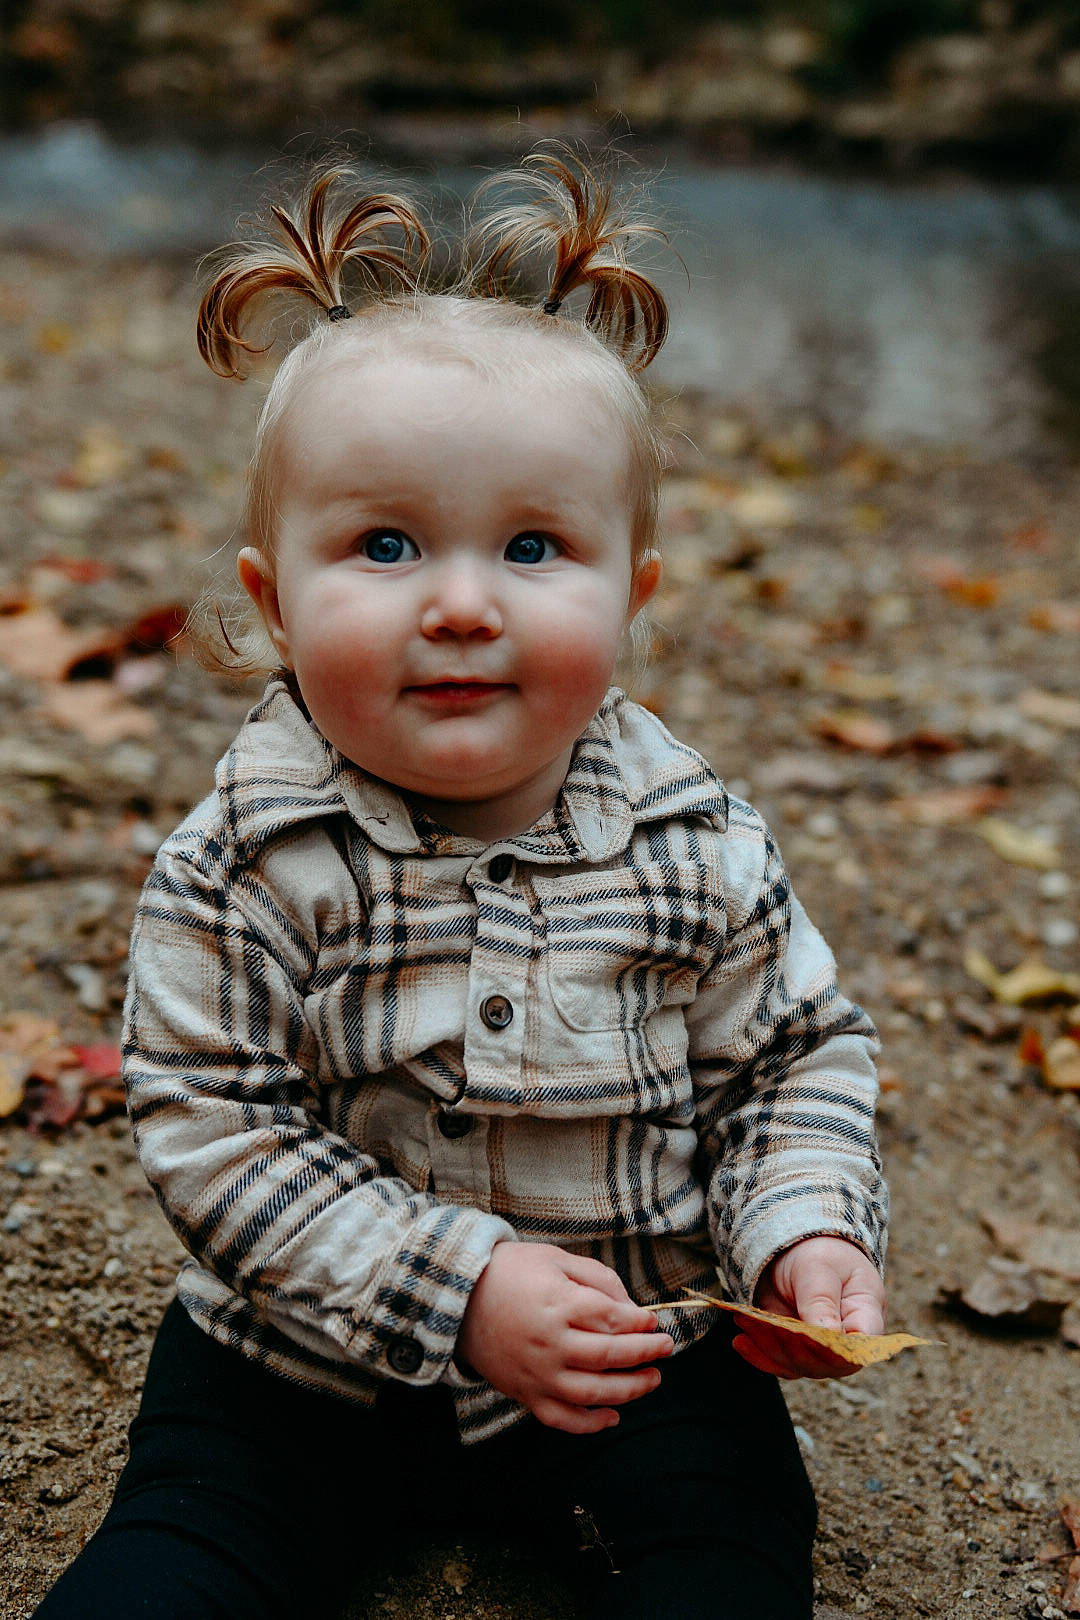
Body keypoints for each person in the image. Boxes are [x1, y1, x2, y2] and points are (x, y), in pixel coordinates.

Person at [36, 150, 888, 1620]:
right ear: (272, 600)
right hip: (299, 1359)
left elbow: (791, 1062)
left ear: (631, 595)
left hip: (635, 1346)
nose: (462, 603)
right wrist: (463, 1289)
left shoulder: (698, 841)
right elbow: (213, 1128)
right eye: (385, 545)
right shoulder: (244, 861)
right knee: (180, 1556)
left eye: (534, 548)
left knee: (732, 1551)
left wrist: (802, 1226)